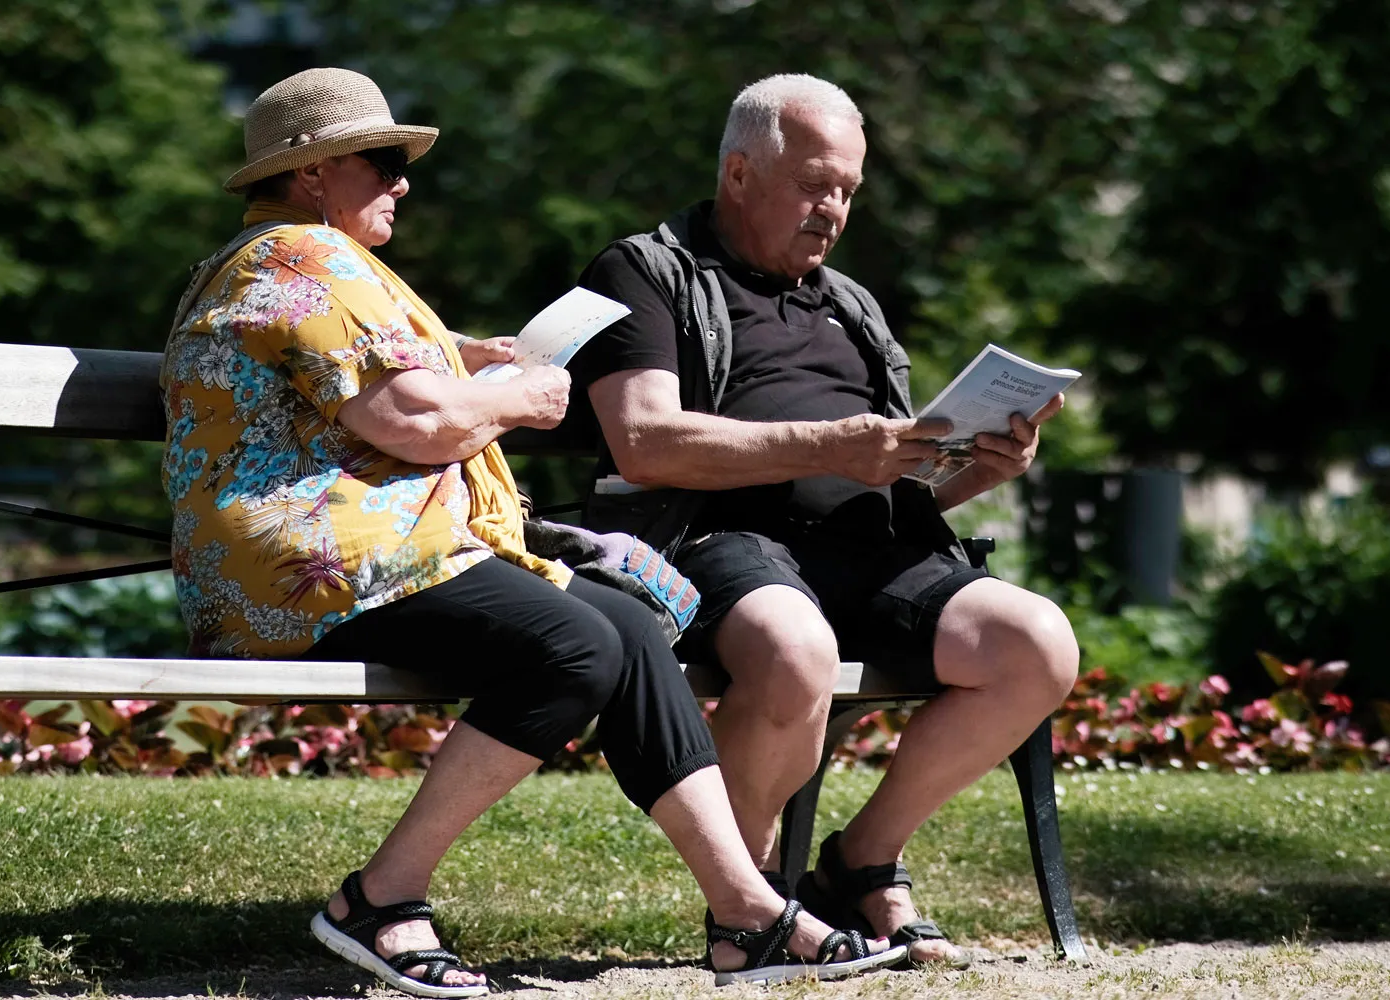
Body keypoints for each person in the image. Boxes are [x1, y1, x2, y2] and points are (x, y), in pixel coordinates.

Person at [160, 68, 904, 996]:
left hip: (372, 555)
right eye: (383, 162)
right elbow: (420, 426)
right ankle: (381, 898)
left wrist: (459, 357)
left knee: (629, 628)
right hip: (311, 566)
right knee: (573, 642)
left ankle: (744, 912)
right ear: (312, 174)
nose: (402, 182)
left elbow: (379, 384)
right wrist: (512, 398)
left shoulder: (308, 264)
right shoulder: (305, 259)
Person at [570, 74, 1081, 968]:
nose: (833, 208)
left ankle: (858, 862)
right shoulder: (645, 272)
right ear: (738, 173)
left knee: (1036, 641)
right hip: (722, 542)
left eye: (847, 188)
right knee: (794, 646)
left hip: (874, 551)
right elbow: (644, 440)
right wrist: (826, 444)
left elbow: (891, 480)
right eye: (814, 184)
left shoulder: (852, 305)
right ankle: (755, 909)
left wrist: (976, 469)